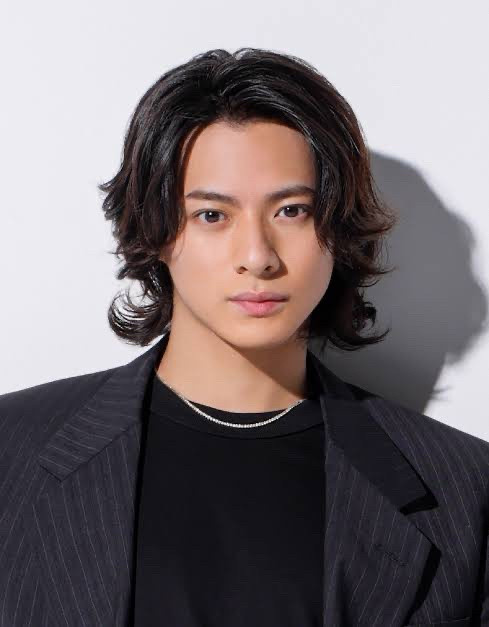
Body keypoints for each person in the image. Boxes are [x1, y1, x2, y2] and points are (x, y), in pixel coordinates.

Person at [0, 47, 487, 627]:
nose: (257, 256)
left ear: (338, 228)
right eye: (212, 215)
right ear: (155, 229)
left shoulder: (464, 488)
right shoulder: (12, 450)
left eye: (292, 210)